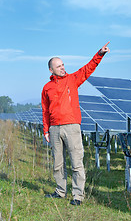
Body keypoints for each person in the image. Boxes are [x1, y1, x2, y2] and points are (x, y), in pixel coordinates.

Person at [41, 42, 110, 205]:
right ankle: (60, 191)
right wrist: (46, 130)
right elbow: (45, 111)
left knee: (76, 162)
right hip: (54, 129)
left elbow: (88, 68)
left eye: (63, 65)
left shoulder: (73, 79)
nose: (62, 68)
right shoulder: (46, 88)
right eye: (58, 66)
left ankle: (78, 196)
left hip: (72, 127)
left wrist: (100, 54)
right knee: (58, 163)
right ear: (51, 70)